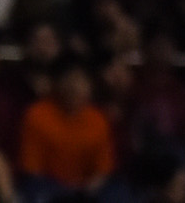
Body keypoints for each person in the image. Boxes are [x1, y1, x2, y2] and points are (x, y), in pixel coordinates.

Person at [15, 61, 113, 198]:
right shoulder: (37, 115)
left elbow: (102, 170)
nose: (74, 87)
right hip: (46, 188)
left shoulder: (98, 119)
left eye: (80, 81)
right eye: (69, 80)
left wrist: (84, 193)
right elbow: (32, 169)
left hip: (86, 191)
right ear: (57, 83)